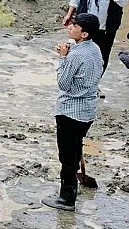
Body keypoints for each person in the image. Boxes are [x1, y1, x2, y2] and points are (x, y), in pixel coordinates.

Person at [44, 14, 105, 212]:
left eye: (75, 26)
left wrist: (63, 58)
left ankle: (67, 198)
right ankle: (71, 190)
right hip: (87, 110)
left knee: (68, 157)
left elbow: (63, 83)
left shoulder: (76, 56)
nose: (70, 27)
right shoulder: (94, 49)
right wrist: (68, 52)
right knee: (75, 149)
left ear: (85, 33)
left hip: (70, 111)